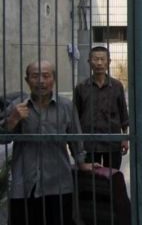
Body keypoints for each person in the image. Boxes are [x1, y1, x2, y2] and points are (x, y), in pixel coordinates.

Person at [0, 60, 96, 225]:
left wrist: (81, 163)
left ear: (54, 79)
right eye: (35, 76)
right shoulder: (17, 106)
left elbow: (75, 136)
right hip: (24, 184)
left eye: (46, 76)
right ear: (26, 80)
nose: (41, 81)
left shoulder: (65, 106)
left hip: (58, 182)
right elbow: (3, 139)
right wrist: (12, 119)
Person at [74, 46, 129, 169]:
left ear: (108, 62)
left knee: (112, 177)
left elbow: (123, 113)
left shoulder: (116, 86)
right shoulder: (81, 87)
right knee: (92, 180)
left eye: (102, 59)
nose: (99, 63)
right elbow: (75, 116)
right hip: (89, 142)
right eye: (95, 59)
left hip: (113, 141)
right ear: (89, 62)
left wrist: (124, 137)